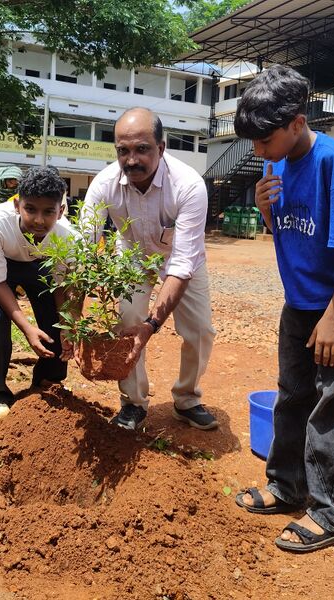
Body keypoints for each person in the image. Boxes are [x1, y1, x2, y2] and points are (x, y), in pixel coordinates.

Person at [231, 65, 334, 553]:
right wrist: (264, 211)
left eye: (264, 140)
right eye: (251, 142)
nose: (257, 151)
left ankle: (333, 511)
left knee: (332, 402)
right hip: (300, 303)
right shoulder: (275, 165)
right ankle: (287, 486)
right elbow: (291, 233)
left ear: (297, 122)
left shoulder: (333, 161)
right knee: (293, 394)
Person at [80, 107, 217, 431]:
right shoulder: (103, 185)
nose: (131, 160)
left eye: (142, 149)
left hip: (181, 259)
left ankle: (186, 399)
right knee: (127, 321)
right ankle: (133, 403)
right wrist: (73, 318)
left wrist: (152, 324)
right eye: (123, 151)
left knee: (199, 332)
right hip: (133, 255)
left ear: (161, 148)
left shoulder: (188, 185)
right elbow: (83, 249)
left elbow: (182, 263)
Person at [0, 167, 74, 422]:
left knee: (55, 320)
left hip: (40, 264)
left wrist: (67, 325)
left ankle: (49, 378)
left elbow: (61, 287)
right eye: (31, 209)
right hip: (1, 265)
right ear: (17, 205)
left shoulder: (67, 238)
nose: (39, 220)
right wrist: (28, 329)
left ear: (60, 211)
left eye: (48, 211)